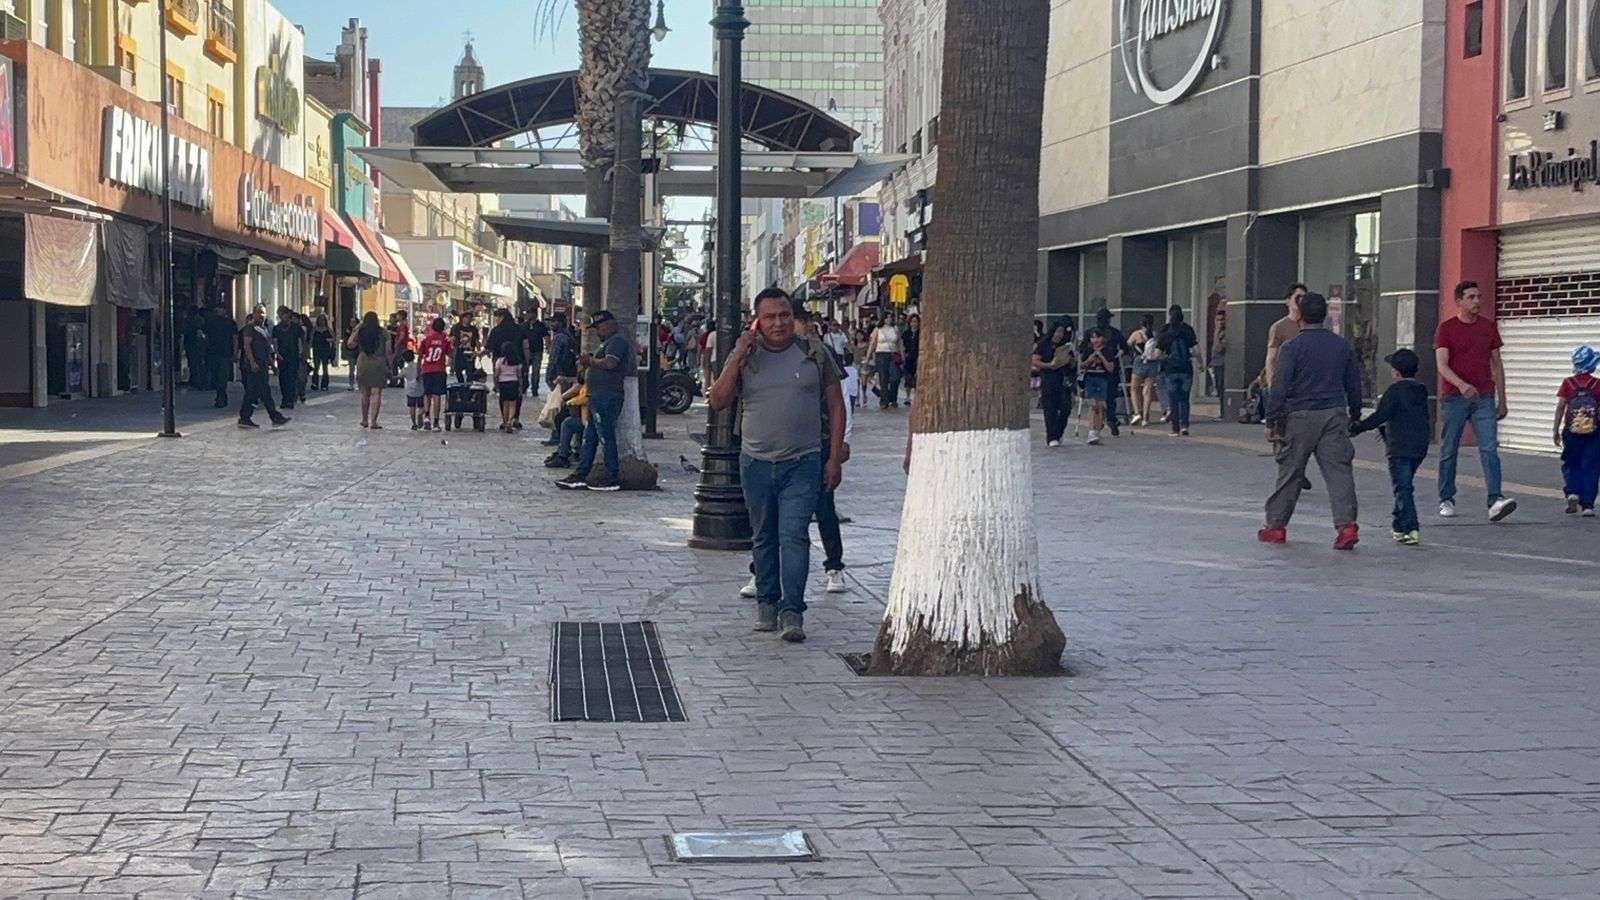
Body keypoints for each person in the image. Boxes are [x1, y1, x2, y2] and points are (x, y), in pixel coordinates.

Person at [710, 288, 845, 643]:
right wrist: (738, 353)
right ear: (757, 320)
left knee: (794, 535)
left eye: (784, 315)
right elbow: (718, 400)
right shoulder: (747, 356)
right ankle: (767, 604)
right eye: (769, 317)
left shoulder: (814, 353)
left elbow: (836, 406)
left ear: (793, 316)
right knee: (763, 536)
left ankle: (792, 611)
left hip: (803, 462)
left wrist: (834, 458)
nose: (778, 323)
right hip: (755, 463)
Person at [1259, 292, 1362, 550]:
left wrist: (1272, 420)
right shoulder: (1342, 346)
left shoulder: (1291, 347)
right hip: (1334, 413)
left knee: (1290, 473)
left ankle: (1276, 526)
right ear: (1325, 315)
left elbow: (1279, 387)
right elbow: (1354, 383)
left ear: (1300, 317)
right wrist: (1355, 413)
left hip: (1299, 416)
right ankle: (1346, 526)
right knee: (1339, 472)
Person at [1436, 280, 1517, 522]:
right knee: (1449, 448)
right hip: (1454, 398)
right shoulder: (1446, 328)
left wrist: (1502, 399)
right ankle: (1446, 498)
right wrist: (1461, 385)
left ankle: (1495, 499)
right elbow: (1442, 364)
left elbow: (1497, 364)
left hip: (1484, 397)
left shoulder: (1488, 327)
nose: (1477, 301)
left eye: (1479, 297)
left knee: (1489, 447)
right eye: (1471, 297)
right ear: (1459, 301)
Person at [1351, 349, 1431, 545]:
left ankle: (1411, 527)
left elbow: (1380, 416)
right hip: (1419, 446)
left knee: (1403, 487)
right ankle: (1398, 525)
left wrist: (1358, 427)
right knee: (1404, 485)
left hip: (1399, 446)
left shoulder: (1394, 391)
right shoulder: (1421, 391)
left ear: (1396, 372)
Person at [554, 311, 633, 493]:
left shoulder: (617, 341)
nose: (598, 331)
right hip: (596, 396)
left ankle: (611, 476)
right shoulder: (607, 342)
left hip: (607, 396)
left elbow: (610, 363)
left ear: (609, 324)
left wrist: (590, 361)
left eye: (599, 327)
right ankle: (581, 474)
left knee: (606, 436)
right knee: (589, 438)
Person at [1266, 284, 1313, 490]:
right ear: (1288, 300)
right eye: (1297, 297)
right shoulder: (1280, 327)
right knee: (1282, 432)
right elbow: (1271, 357)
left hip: (1305, 388)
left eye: (1304, 298)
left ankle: (1297, 469)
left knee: (1302, 434)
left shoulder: (1310, 325)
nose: (1301, 302)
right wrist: (1272, 383)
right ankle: (1290, 468)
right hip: (1285, 386)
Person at [1555, 345, 1600, 517]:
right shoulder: (1597, 384)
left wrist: (1555, 429)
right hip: (1594, 433)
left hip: (1571, 431)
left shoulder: (1568, 383)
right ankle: (1588, 505)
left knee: (1571, 463)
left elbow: (1561, 406)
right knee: (1591, 467)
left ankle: (1572, 492)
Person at [237, 308, 289, 429]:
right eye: (259, 312)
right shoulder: (250, 328)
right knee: (264, 392)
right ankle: (274, 416)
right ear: (254, 314)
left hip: (263, 364)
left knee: (253, 392)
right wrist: (252, 362)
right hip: (255, 366)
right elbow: (247, 346)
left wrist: (272, 365)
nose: (261, 315)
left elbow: (267, 350)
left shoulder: (264, 329)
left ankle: (245, 417)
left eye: (263, 313)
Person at [1156, 305, 1200, 436]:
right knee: (1184, 398)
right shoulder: (1188, 330)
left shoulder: (1165, 331)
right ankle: (1184, 426)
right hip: (1186, 369)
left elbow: (1157, 354)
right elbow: (1197, 351)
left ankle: (1175, 429)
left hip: (1170, 370)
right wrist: (1200, 363)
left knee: (1173, 399)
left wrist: (1166, 359)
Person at [1080, 308, 1125, 435]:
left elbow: (1081, 348)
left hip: (1098, 370)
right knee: (1110, 396)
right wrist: (1117, 355)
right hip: (1110, 369)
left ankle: (1100, 423)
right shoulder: (1115, 333)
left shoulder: (1090, 332)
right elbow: (1124, 348)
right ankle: (1110, 418)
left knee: (1097, 400)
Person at [487, 309, 531, 430]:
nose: (496, 320)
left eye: (497, 317)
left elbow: (489, 347)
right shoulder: (520, 329)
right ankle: (515, 419)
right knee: (517, 394)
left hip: (500, 364)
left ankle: (505, 420)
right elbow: (526, 346)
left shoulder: (496, 330)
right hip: (517, 362)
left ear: (501, 317)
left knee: (503, 395)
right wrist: (527, 362)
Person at [348, 312, 393, 429]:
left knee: (364, 394)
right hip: (379, 363)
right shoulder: (384, 332)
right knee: (376, 393)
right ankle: (373, 421)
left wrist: (356, 329)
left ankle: (364, 419)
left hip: (363, 362)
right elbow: (388, 351)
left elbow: (350, 344)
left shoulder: (361, 332)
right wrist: (390, 365)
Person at [1032, 323, 1074, 447]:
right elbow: (1034, 360)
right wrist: (1049, 365)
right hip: (1049, 378)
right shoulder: (1043, 344)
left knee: (1066, 407)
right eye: (1057, 331)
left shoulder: (1065, 345)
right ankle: (1051, 436)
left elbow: (1072, 363)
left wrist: (1070, 359)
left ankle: (1058, 432)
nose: (1059, 335)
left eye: (1062, 332)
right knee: (1051, 408)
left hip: (1063, 379)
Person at [1081, 327, 1116, 446]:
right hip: (1090, 378)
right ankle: (1091, 431)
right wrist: (1089, 360)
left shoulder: (1108, 351)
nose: (1095, 340)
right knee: (1093, 405)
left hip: (1102, 379)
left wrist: (1101, 357)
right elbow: (1082, 365)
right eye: (1093, 337)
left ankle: (1097, 430)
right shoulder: (1088, 350)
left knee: (1100, 405)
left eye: (1098, 337)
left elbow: (1110, 368)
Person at [545, 371, 587, 468]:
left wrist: (571, 402)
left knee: (567, 423)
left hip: (587, 418)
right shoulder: (586, 382)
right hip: (583, 416)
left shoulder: (591, 382)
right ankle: (563, 451)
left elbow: (585, 397)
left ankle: (563, 454)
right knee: (563, 419)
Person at [416, 317, 451, 432]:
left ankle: (427, 417)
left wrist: (418, 371)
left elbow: (420, 356)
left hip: (427, 369)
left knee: (427, 395)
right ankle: (436, 422)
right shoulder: (445, 340)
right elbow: (450, 353)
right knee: (437, 396)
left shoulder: (427, 339)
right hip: (439, 370)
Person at [1128, 314, 1159, 426]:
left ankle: (1137, 413)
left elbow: (1128, 344)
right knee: (1147, 391)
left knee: (1134, 389)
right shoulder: (1155, 335)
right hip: (1152, 363)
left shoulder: (1137, 334)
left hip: (1139, 361)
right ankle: (1145, 418)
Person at [203, 306, 237, 409]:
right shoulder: (211, 323)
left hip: (224, 353)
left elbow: (234, 338)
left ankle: (221, 397)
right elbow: (206, 337)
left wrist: (235, 352)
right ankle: (221, 396)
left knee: (222, 376)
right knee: (217, 376)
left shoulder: (230, 323)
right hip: (214, 353)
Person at [271, 307, 304, 410]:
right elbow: (275, 342)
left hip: (293, 355)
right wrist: (277, 353)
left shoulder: (296, 327)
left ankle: (290, 400)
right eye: (280, 314)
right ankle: (284, 398)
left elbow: (300, 341)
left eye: (284, 314)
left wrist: (300, 353)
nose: (283, 316)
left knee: (292, 378)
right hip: (282, 356)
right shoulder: (276, 328)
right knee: (283, 379)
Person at [871, 316, 903, 408]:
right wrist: (869, 356)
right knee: (883, 378)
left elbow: (900, 343)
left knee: (895, 377)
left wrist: (902, 355)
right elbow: (873, 343)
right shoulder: (878, 329)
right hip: (881, 354)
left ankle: (893, 398)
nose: (889, 319)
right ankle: (884, 400)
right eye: (887, 317)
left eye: (890, 317)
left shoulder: (895, 329)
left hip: (893, 354)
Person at [494, 341, 523, 433]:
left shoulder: (499, 361)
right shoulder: (517, 361)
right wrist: (521, 386)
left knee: (505, 404)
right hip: (514, 383)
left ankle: (505, 422)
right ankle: (510, 421)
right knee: (513, 404)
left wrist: (496, 385)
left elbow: (496, 374)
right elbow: (519, 375)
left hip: (503, 383)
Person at [1209, 297, 1227, 420]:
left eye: (1222, 319)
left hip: (1222, 363)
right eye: (1218, 319)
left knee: (1221, 387)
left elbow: (1218, 348)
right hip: (1216, 362)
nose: (1220, 322)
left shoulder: (1224, 333)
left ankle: (1224, 412)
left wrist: (1217, 332)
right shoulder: (1218, 331)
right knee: (1218, 387)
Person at [546, 314, 577, 388]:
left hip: (559, 374)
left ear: (560, 323)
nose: (551, 324)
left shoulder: (559, 337)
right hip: (567, 372)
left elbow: (554, 358)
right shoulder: (568, 335)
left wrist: (549, 376)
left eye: (554, 321)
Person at [450, 313, 481, 382]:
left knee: (470, 370)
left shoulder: (474, 329)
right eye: (466, 317)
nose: (468, 319)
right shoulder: (456, 327)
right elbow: (452, 338)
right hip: (459, 351)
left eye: (470, 318)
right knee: (458, 369)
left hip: (470, 352)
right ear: (462, 318)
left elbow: (476, 340)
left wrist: (478, 351)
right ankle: (461, 383)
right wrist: (451, 348)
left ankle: (468, 384)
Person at [524, 313, 549, 398]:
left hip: (537, 351)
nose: (528, 315)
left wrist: (548, 347)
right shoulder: (524, 325)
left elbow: (546, 336)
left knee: (536, 371)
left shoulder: (540, 325)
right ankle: (525, 386)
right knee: (525, 370)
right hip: (526, 351)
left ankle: (534, 388)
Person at [310, 314, 335, 392]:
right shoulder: (315, 329)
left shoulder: (328, 329)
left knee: (325, 367)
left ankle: (324, 384)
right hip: (316, 349)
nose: (322, 321)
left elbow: (334, 338)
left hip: (325, 349)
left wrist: (328, 340)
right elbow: (311, 339)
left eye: (323, 320)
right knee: (316, 367)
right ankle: (315, 383)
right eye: (320, 320)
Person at [902, 313, 921, 406]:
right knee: (908, 377)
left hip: (918, 356)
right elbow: (902, 345)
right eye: (912, 322)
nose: (914, 324)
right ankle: (908, 396)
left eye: (916, 322)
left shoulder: (921, 333)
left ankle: (916, 396)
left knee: (917, 377)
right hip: (908, 357)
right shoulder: (906, 333)